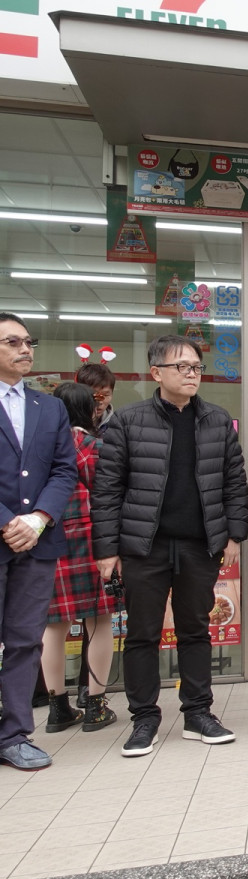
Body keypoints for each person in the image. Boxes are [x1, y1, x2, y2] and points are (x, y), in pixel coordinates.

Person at [92, 335, 248, 758]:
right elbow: (106, 490)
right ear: (156, 372)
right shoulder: (128, 421)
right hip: (144, 545)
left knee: (195, 629)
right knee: (142, 634)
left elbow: (235, 483)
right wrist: (108, 550)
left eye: (197, 367)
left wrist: (235, 535)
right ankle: (144, 717)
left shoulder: (218, 420)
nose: (192, 373)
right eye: (182, 366)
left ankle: (199, 713)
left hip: (200, 544)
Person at [0, 314, 76, 771]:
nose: (25, 349)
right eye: (13, 342)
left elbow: (65, 469)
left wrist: (39, 518)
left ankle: (14, 734)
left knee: (26, 640)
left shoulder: (50, 408)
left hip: (38, 541)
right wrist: (9, 521)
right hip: (7, 531)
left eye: (29, 342)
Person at [41, 383, 120, 735]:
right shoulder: (93, 448)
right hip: (90, 541)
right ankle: (95, 705)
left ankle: (58, 708)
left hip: (47, 540)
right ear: (91, 411)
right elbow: (110, 495)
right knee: (99, 620)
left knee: (52, 626)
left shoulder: (39, 448)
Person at [75, 362, 116, 434]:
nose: (100, 402)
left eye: (106, 395)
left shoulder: (117, 424)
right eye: (94, 395)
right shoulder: (65, 423)